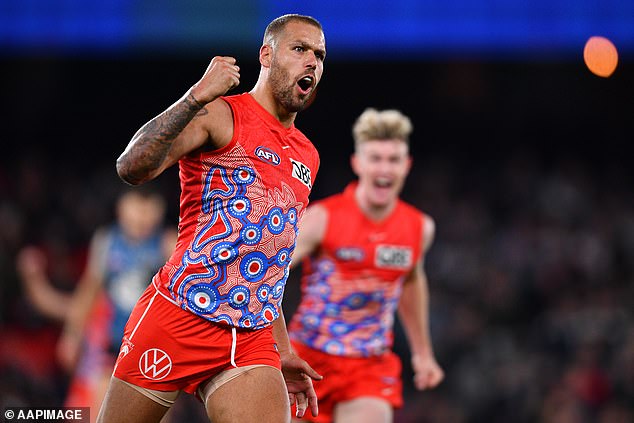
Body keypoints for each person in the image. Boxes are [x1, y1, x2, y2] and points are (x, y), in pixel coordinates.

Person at [98, 14, 326, 423]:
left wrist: (284, 348)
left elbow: (269, 260)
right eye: (300, 49)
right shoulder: (221, 115)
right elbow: (131, 166)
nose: (312, 61)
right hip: (178, 315)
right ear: (267, 55)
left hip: (251, 338)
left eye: (320, 55)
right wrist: (195, 97)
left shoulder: (307, 156)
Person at [287, 108, 445, 422]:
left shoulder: (419, 228)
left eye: (393, 159)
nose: (384, 168)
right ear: (357, 163)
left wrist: (423, 353)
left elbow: (411, 280)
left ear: (406, 166)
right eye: (375, 158)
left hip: (369, 366)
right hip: (305, 359)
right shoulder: (322, 219)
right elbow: (268, 271)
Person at [16, 188, 176, 422]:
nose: (142, 215)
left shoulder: (167, 243)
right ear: (120, 208)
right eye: (135, 206)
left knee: (156, 412)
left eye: (150, 206)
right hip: (115, 343)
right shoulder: (107, 241)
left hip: (154, 346)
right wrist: (72, 334)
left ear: (160, 210)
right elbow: (89, 292)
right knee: (100, 407)